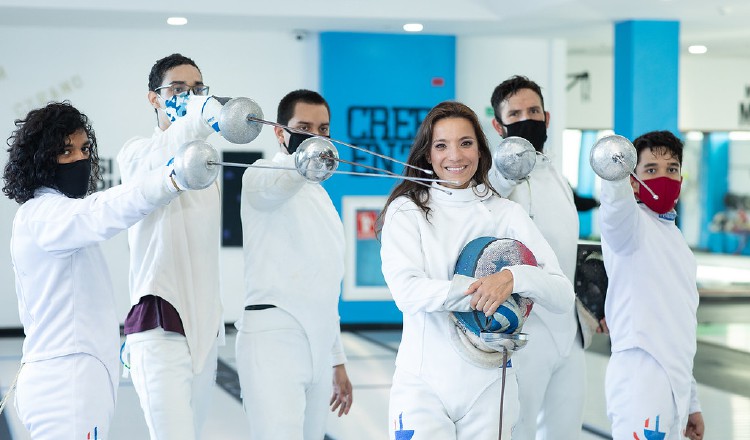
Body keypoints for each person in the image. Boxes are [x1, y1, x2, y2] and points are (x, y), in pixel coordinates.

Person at [379, 101, 575, 439]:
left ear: (481, 150)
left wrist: (512, 278)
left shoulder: (505, 213)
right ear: (427, 154)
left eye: (465, 143)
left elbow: (561, 295)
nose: (455, 156)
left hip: (491, 388)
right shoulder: (408, 210)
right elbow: (407, 293)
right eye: (441, 145)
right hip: (422, 385)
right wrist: (482, 291)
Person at [3, 101, 186, 438]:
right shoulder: (45, 214)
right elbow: (102, 212)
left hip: (71, 379)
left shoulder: (51, 213)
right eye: (65, 151)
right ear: (40, 159)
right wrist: (169, 179)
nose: (79, 159)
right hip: (65, 388)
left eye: (84, 148)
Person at [117, 53, 226, 439]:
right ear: (154, 98)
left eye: (197, 90)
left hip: (205, 325)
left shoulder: (209, 167)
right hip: (159, 323)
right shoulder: (136, 153)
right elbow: (169, 156)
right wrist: (201, 114)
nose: (190, 97)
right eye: (178, 90)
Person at [236, 89, 353, 439]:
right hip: (274, 337)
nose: (315, 137)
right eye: (304, 127)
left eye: (323, 129)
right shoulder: (262, 174)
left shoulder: (322, 199)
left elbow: (326, 284)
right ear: (279, 131)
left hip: (318, 341)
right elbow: (281, 181)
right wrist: (303, 161)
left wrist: (337, 360)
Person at [487, 75, 587, 439]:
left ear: (547, 118)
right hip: (523, 328)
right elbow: (488, 197)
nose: (527, 119)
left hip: (568, 331)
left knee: (566, 430)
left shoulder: (557, 176)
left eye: (533, 111)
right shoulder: (495, 180)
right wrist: (506, 168)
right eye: (515, 114)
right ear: (499, 125)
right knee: (518, 428)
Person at [598, 130, 704, 440]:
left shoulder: (676, 238)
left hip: (675, 379)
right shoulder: (629, 227)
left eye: (672, 169)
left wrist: (691, 401)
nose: (664, 176)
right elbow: (615, 209)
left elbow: (679, 327)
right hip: (641, 374)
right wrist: (614, 173)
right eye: (651, 170)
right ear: (633, 180)